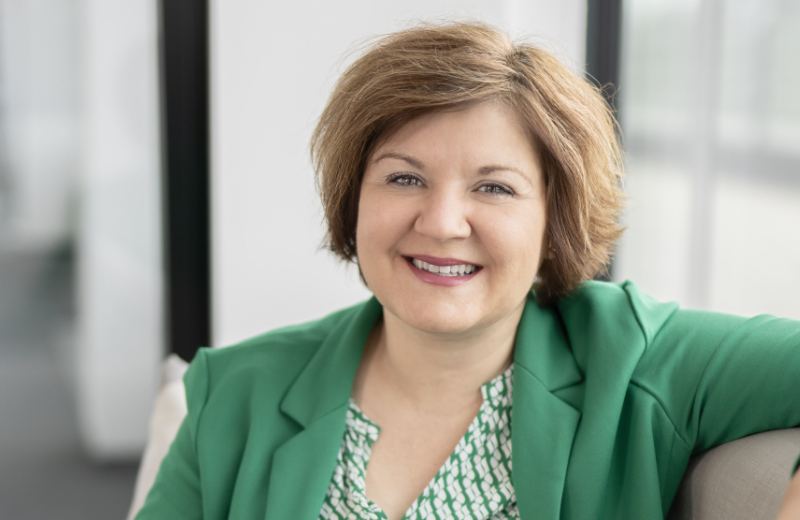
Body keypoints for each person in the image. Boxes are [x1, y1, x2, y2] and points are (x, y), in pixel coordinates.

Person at [135, 22, 800, 520]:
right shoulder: (233, 393)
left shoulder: (635, 358)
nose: (442, 222)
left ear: (554, 220)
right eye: (404, 178)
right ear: (353, 198)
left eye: (494, 187)